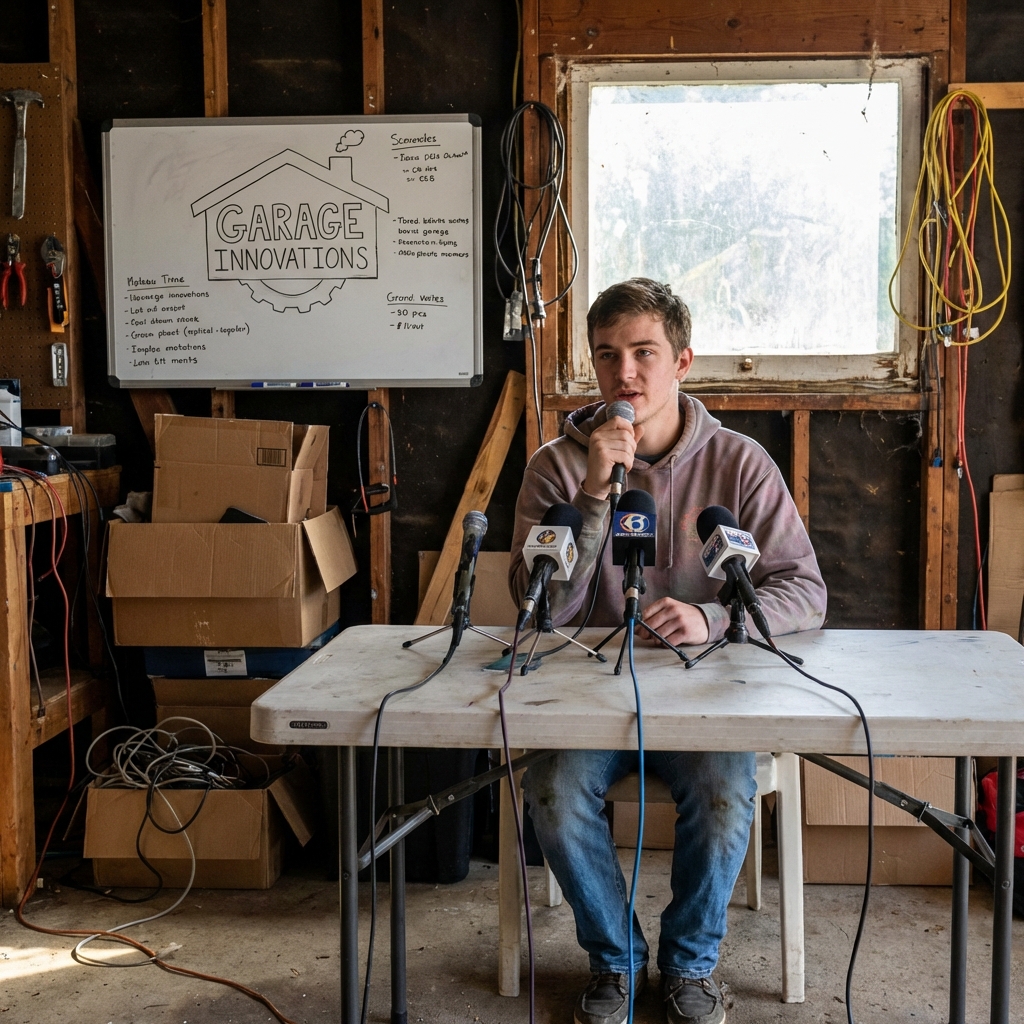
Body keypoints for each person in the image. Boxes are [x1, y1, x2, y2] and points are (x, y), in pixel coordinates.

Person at [509, 278, 826, 1024]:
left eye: (645, 353)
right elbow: (538, 607)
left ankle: (689, 964)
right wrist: (592, 495)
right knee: (551, 791)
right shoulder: (554, 467)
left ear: (683, 361)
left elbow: (804, 592)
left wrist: (716, 619)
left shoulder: (741, 465)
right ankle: (615, 959)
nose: (626, 374)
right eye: (608, 355)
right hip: (587, 699)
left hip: (706, 701)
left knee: (724, 796)